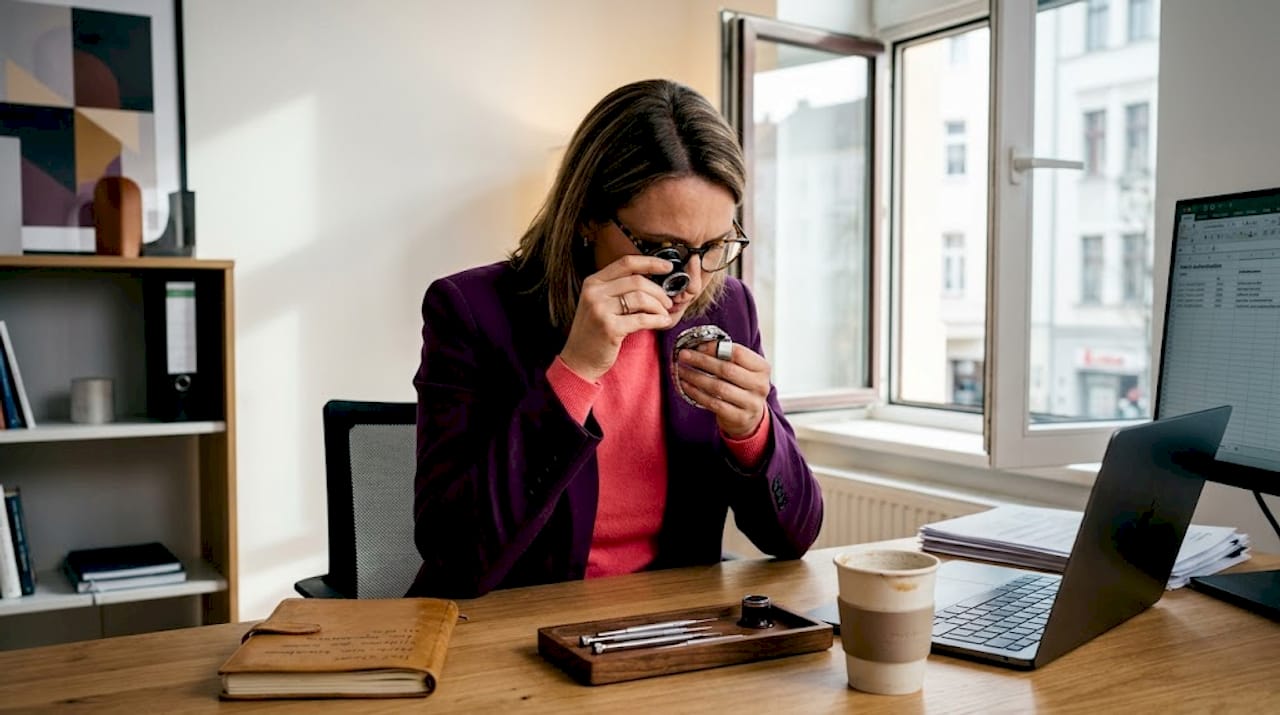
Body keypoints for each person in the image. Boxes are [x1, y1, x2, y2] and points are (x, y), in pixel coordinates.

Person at [407, 79, 823, 598]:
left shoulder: (728, 306)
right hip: (506, 630)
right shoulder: (473, 311)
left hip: (665, 632)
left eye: (714, 245)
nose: (691, 282)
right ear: (586, 216)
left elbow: (795, 536)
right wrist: (575, 372)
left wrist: (753, 431)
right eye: (664, 249)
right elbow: (455, 553)